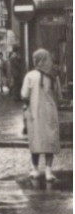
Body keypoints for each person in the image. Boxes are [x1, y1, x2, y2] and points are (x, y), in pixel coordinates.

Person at [21, 48, 61, 183]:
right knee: (50, 139)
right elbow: (59, 96)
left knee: (35, 139)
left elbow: (24, 95)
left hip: (34, 112)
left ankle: (35, 169)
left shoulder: (30, 75)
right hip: (50, 112)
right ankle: (49, 171)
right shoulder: (53, 76)